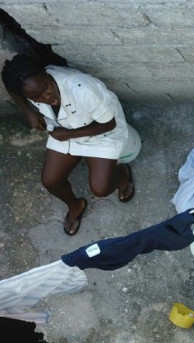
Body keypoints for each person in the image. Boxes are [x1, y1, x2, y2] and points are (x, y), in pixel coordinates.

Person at [1, 55, 134, 235]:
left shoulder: (82, 88)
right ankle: (75, 205)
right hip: (64, 127)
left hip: (101, 132)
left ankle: (121, 174)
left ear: (45, 73)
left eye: (45, 88)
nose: (46, 97)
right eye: (36, 97)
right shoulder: (24, 84)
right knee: (50, 181)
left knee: (101, 189)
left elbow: (108, 124)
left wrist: (68, 135)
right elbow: (11, 87)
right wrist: (28, 112)